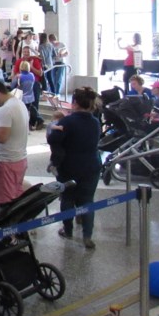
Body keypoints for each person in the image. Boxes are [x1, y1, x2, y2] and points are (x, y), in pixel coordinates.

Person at [48, 87, 102, 249]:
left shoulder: (67, 121)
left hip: (69, 166)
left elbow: (54, 140)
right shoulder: (95, 122)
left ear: (75, 103)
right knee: (87, 200)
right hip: (91, 166)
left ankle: (68, 230)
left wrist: (53, 130)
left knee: (67, 198)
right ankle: (87, 236)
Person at [9, 60, 41, 130]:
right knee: (28, 111)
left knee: (20, 113)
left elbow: (12, 86)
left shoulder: (19, 76)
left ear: (21, 67)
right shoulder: (32, 75)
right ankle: (29, 125)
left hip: (21, 97)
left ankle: (20, 126)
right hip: (30, 97)